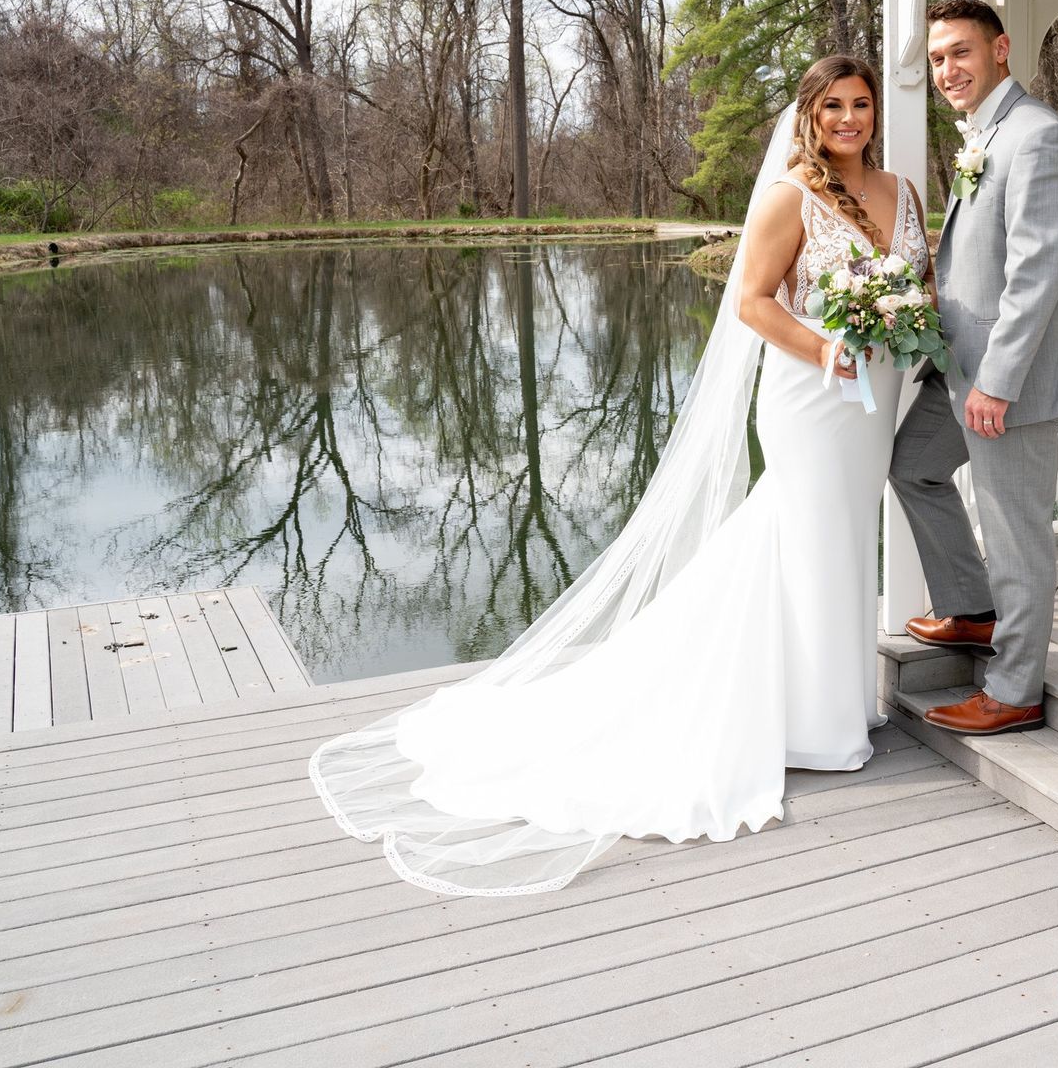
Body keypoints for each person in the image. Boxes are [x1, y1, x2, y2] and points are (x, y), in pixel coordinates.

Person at [309, 55, 930, 895]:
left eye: (860, 106)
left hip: (876, 392)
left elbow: (917, 285)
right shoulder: (790, 197)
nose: (850, 120)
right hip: (813, 393)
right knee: (808, 535)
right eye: (833, 107)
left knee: (849, 536)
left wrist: (902, 324)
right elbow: (753, 302)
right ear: (809, 115)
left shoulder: (904, 192)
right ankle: (812, 728)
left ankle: (840, 700)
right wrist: (827, 347)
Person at [891, 0, 1058, 736]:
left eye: (960, 52)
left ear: (1001, 50)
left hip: (1005, 381)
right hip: (959, 367)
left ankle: (1015, 688)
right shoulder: (986, 133)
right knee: (914, 464)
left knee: (1016, 532)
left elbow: (1036, 275)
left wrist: (998, 382)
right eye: (938, 57)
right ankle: (974, 608)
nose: (948, 69)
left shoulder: (1038, 138)